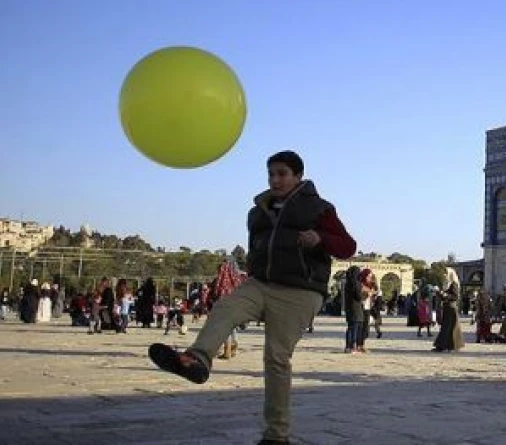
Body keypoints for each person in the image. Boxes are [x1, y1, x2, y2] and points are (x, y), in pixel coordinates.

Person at [147, 150, 357, 445]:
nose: (275, 179)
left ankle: (276, 436)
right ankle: (198, 359)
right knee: (225, 307)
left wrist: (320, 238)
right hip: (260, 284)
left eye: (282, 173)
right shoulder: (258, 212)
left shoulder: (319, 209)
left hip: (300, 290)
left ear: (298, 176)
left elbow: (348, 246)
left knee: (276, 358)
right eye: (271, 174)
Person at [432, 268, 464, 352]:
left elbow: (455, 296)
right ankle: (444, 345)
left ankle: (446, 346)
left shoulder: (454, 284)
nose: (444, 275)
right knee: (447, 327)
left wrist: (443, 294)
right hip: (447, 307)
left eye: (446, 273)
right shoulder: (447, 284)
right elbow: (444, 297)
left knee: (450, 327)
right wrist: (438, 293)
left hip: (451, 308)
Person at [342, 265, 365, 353]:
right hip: (357, 308)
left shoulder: (347, 283)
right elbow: (359, 297)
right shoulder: (357, 283)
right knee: (355, 328)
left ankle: (348, 346)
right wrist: (364, 294)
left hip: (349, 308)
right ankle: (353, 347)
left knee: (350, 328)